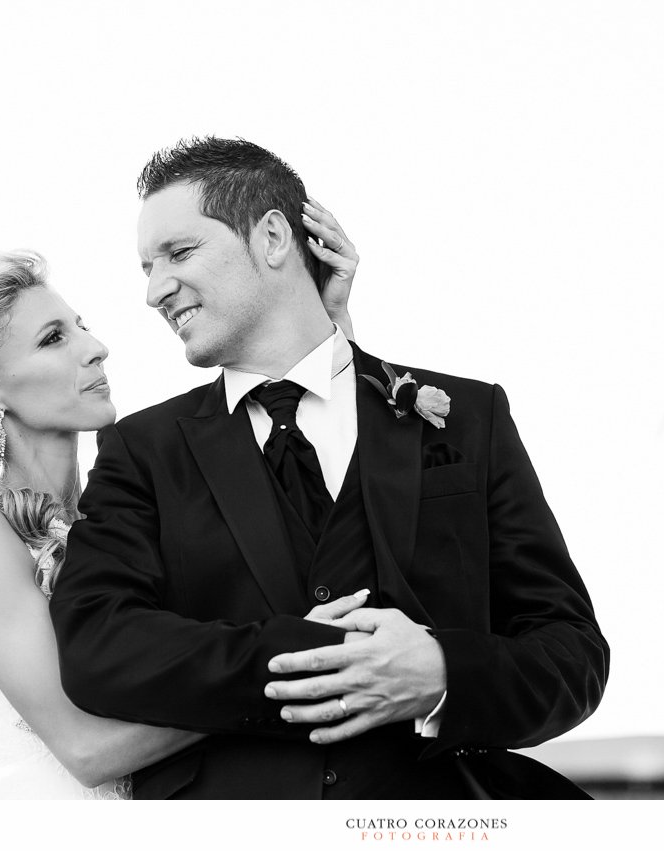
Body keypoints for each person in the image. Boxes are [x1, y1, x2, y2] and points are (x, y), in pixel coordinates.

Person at [49, 137, 610, 799]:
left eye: (179, 252)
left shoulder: (466, 416)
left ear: (274, 237)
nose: (154, 291)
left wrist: (441, 672)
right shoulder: (142, 448)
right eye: (147, 266)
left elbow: (571, 653)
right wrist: (304, 654)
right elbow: (96, 644)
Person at [0, 208, 360, 798]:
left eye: (81, 326)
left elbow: (315, 505)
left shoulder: (121, 506)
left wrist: (328, 332)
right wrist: (291, 667)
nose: (96, 348)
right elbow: (88, 748)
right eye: (54, 339)